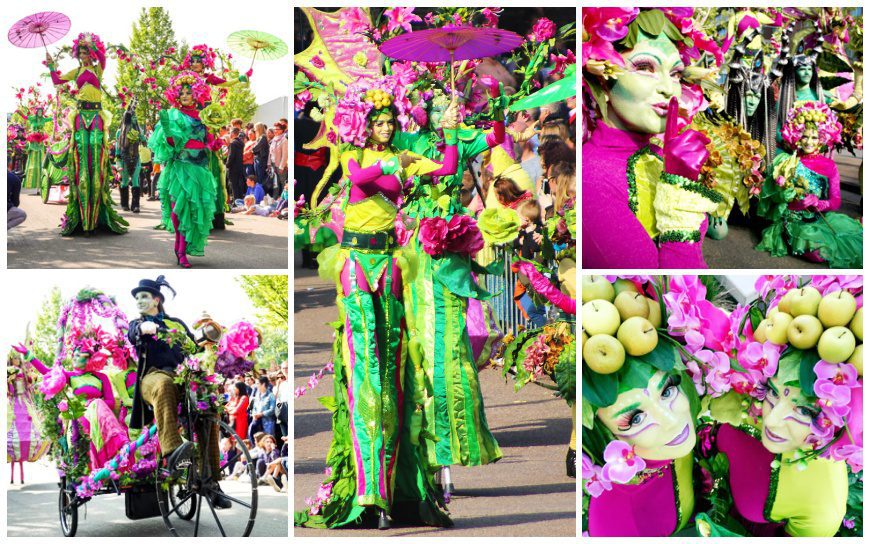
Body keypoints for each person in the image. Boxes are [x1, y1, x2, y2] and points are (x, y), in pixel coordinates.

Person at [296, 78, 458, 530]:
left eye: (391, 122)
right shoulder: (356, 155)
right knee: (366, 367)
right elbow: (363, 178)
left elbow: (446, 169)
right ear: (365, 126)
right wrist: (397, 162)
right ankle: (370, 492)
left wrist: (450, 132)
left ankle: (395, 489)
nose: (386, 128)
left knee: (393, 368)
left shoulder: (397, 157)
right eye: (379, 123)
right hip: (355, 266)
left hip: (389, 263)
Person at [582, 8, 721, 268]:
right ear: (601, 81)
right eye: (645, 67)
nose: (669, 89)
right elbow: (662, 291)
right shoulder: (590, 178)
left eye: (676, 74)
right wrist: (678, 189)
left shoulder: (658, 155)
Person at [127, 276, 230, 508]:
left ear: (156, 299)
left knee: (208, 404)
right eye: (136, 298)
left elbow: (195, 348)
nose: (139, 301)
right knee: (164, 383)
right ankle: (173, 451)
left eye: (143, 296)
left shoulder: (177, 324)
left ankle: (210, 481)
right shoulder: (137, 323)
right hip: (152, 378)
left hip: (182, 377)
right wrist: (144, 327)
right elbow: (133, 333)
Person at [756, 102, 862, 268]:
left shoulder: (829, 165)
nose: (809, 142)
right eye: (805, 136)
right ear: (797, 136)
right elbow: (771, 198)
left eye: (814, 137)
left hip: (819, 219)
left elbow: (836, 201)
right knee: (817, 251)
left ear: (822, 139)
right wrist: (786, 195)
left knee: (851, 243)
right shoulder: (786, 162)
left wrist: (818, 202)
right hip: (793, 222)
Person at [46, 32, 128, 235]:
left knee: (95, 153)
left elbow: (102, 57)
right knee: (82, 158)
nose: (84, 55)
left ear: (91, 53)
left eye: (86, 52)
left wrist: (93, 45)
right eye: (81, 52)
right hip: (81, 115)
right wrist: (50, 65)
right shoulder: (76, 72)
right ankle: (83, 220)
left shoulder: (98, 69)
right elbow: (57, 81)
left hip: (97, 115)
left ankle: (97, 216)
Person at [148, 71, 218, 268]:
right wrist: (168, 130)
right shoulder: (174, 114)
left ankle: (184, 246)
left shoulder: (204, 116)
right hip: (180, 167)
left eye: (188, 93)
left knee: (196, 211)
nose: (185, 96)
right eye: (181, 94)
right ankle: (180, 250)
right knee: (179, 209)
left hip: (200, 169)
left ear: (196, 95)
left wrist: (214, 141)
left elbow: (209, 141)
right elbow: (170, 145)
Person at [226, 127, 246, 201]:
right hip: (239, 166)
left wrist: (227, 164)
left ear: (233, 133)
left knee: (233, 185)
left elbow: (231, 156)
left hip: (233, 167)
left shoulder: (233, 143)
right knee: (238, 185)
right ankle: (239, 200)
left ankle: (235, 201)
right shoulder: (241, 143)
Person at [269, 122, 288, 198]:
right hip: (273, 164)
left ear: (282, 130)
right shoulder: (274, 139)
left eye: (277, 129)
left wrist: (281, 166)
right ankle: (275, 197)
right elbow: (270, 152)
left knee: (282, 182)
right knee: (275, 182)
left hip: (280, 165)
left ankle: (285, 199)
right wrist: (269, 163)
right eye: (274, 129)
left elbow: (285, 155)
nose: (275, 130)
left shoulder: (284, 140)